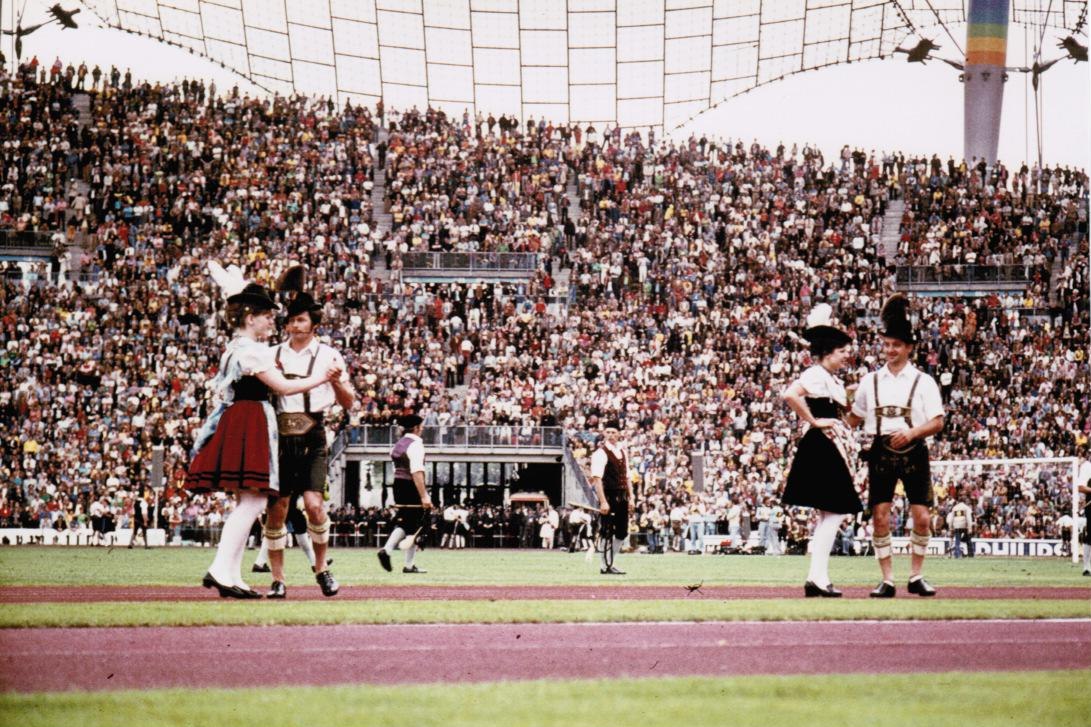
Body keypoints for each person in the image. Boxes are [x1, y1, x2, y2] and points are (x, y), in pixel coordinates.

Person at [186, 264, 338, 599]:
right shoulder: (252, 350)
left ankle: (231, 574)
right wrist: (323, 377)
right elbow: (284, 387)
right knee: (253, 501)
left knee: (248, 500)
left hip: (241, 418)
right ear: (250, 317)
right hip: (251, 419)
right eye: (267, 316)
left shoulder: (239, 347)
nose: (272, 322)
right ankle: (221, 569)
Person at [847, 294, 945, 598]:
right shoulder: (870, 381)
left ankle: (916, 575)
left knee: (922, 517)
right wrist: (833, 411)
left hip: (914, 450)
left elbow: (937, 421)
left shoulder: (923, 381)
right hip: (880, 450)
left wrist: (912, 433)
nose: (890, 350)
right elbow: (854, 418)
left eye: (896, 345)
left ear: (909, 347)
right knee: (880, 516)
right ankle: (887, 579)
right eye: (887, 345)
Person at [264, 279, 355, 599]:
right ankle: (277, 579)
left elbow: (348, 402)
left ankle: (321, 569)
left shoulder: (329, 355)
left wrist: (337, 383)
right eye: (291, 319)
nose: (294, 324)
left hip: (313, 432)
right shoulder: (272, 354)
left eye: (301, 319)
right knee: (278, 509)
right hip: (279, 436)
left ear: (314, 324)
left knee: (315, 506)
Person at [781, 304, 861, 597]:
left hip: (827, 445)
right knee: (836, 511)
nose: (845, 356)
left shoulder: (829, 378)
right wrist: (813, 420)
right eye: (841, 352)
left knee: (829, 514)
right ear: (829, 353)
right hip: (822, 445)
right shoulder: (816, 374)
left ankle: (817, 577)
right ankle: (817, 577)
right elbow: (790, 394)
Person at [377, 414, 433, 573]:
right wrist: (424, 495)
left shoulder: (397, 445)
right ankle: (406, 564)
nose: (422, 429)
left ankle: (388, 550)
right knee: (417, 524)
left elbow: (397, 469)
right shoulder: (416, 444)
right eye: (421, 426)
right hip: (411, 485)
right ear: (416, 428)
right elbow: (417, 472)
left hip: (398, 484)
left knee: (406, 522)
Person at [589, 419, 631, 575]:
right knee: (607, 532)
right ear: (604, 433)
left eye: (614, 432)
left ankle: (610, 562)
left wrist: (631, 498)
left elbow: (627, 477)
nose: (611, 435)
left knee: (622, 532)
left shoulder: (623, 452)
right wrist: (603, 501)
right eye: (608, 432)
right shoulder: (600, 453)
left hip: (622, 497)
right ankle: (604, 565)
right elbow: (597, 479)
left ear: (619, 434)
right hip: (609, 496)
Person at [1077, 453, 1091, 576]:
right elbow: (1080, 487)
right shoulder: (1087, 466)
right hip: (1090, 505)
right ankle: (1087, 567)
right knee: (1089, 536)